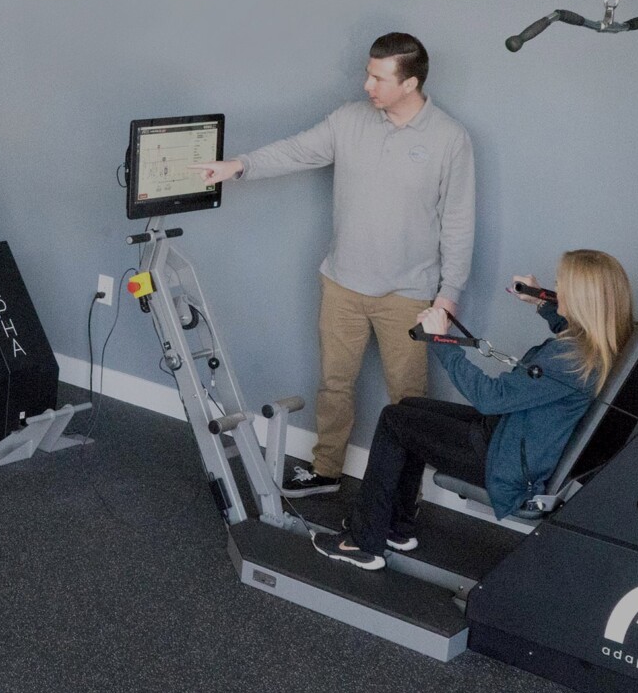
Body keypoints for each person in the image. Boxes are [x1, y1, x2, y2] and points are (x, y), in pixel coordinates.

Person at [195, 33, 474, 497]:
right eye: (368, 73)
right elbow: (296, 151)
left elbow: (459, 224)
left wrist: (447, 298)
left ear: (410, 83)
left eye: (379, 78)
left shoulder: (450, 139)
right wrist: (238, 166)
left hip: (409, 295)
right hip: (342, 283)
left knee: (410, 402)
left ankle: (404, 496)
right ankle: (325, 470)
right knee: (334, 385)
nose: (367, 84)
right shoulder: (349, 120)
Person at [319, 250, 635, 570]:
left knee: (393, 420)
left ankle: (363, 542)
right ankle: (395, 527)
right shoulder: (600, 346)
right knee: (407, 409)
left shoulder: (565, 360)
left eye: (560, 285)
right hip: (511, 435)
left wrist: (440, 340)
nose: (556, 289)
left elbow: (489, 398)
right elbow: (571, 325)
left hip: (502, 462)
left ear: (582, 299)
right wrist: (539, 300)